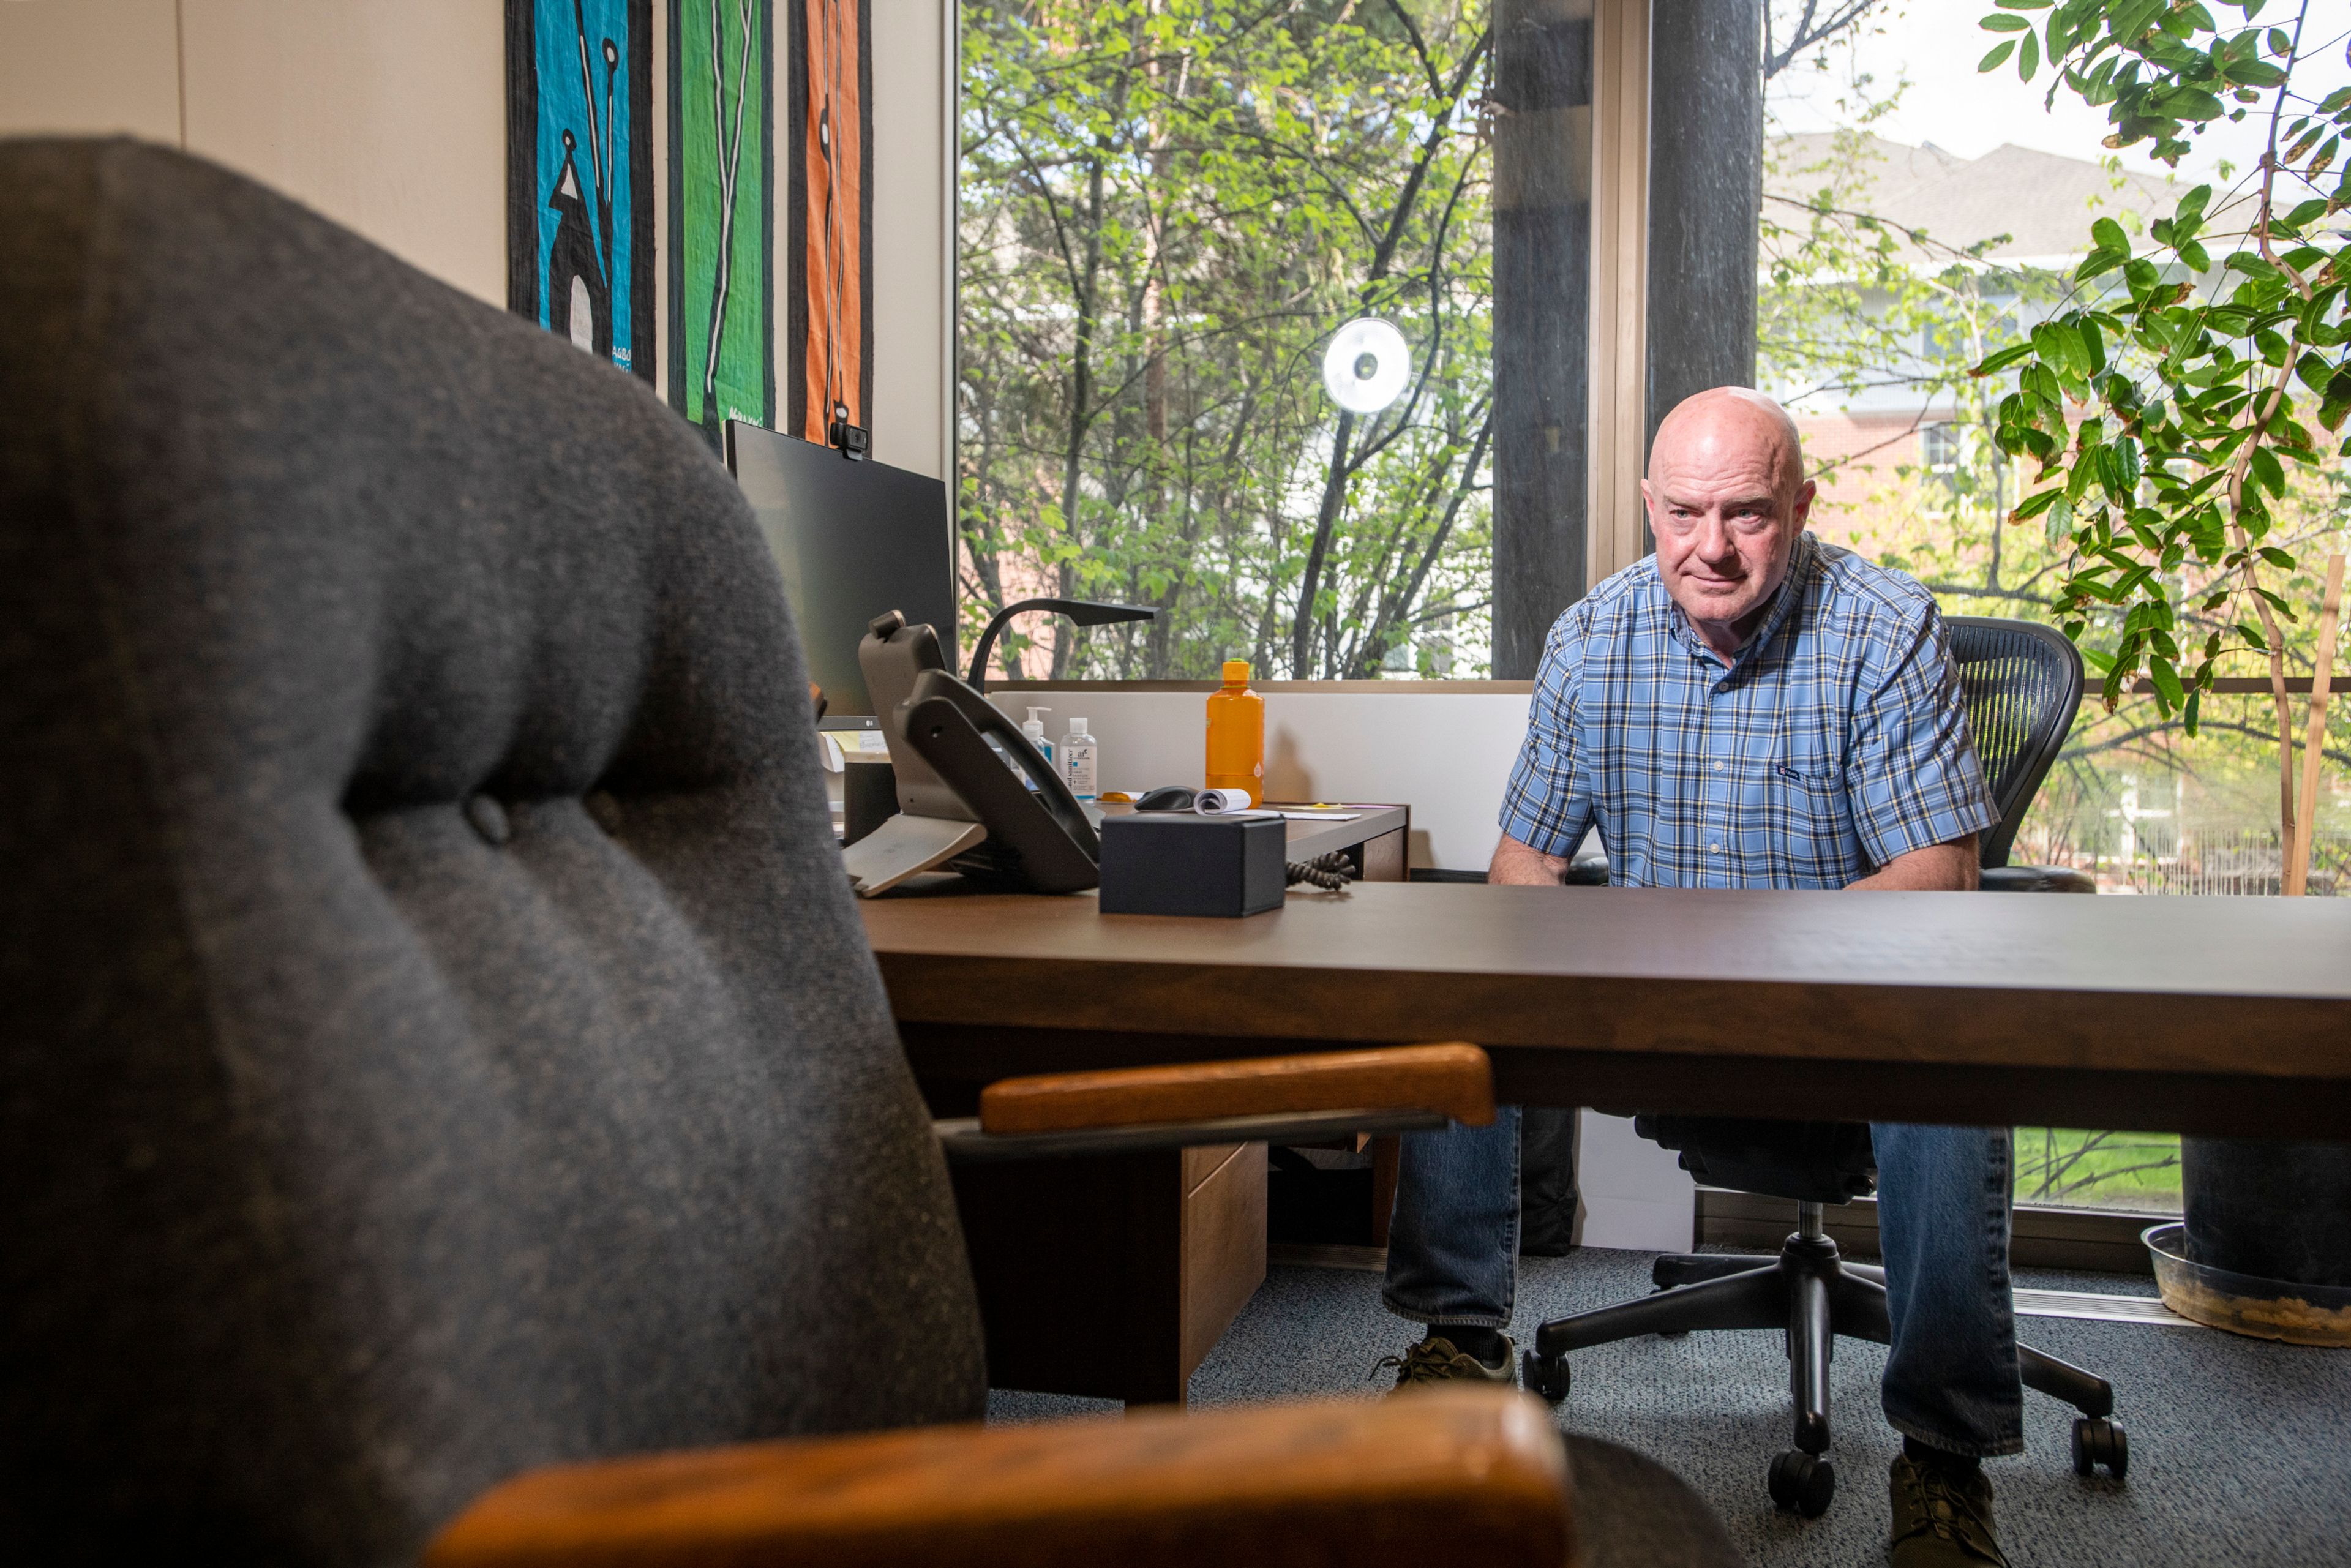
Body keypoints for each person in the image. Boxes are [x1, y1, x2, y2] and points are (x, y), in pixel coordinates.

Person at [1378, 388, 2018, 1568]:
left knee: (1955, 1061)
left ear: (1802, 508)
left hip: (1851, 1021)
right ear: (1647, 505)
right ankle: (1460, 1340)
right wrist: (1567, 971)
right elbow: (1525, 862)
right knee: (1467, 977)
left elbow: (1941, 875)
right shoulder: (1592, 636)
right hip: (1658, 1025)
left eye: (1746, 515)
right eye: (1682, 512)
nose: (1709, 548)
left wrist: (1760, 957)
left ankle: (1943, 1459)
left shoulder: (1884, 628)